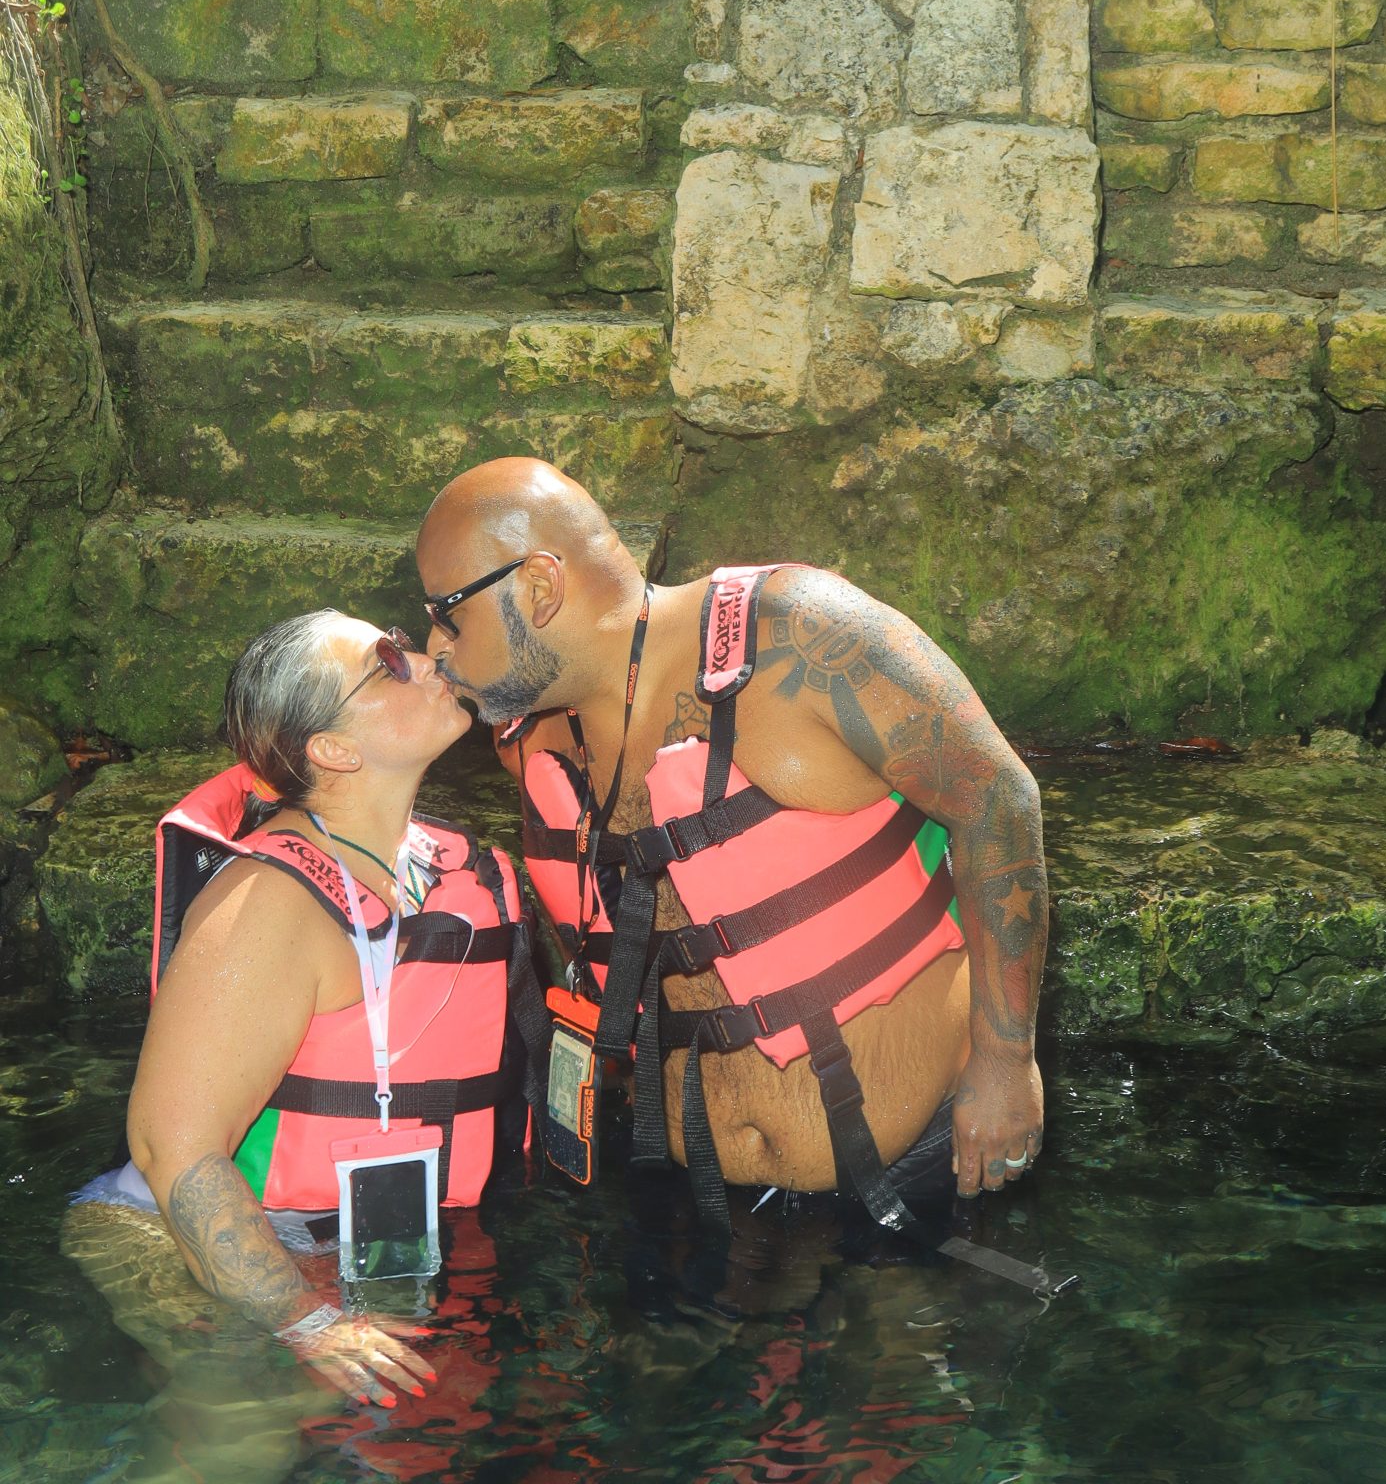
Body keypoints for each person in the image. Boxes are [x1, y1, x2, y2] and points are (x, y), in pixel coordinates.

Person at [415, 459, 1048, 1240]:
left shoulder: (799, 635)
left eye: (446, 615)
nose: (436, 646)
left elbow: (998, 801)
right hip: (693, 1196)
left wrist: (1005, 1061)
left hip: (910, 1179)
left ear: (538, 586)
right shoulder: (531, 740)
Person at [67, 609, 536, 1408]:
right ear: (333, 750)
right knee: (245, 1445)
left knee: (435, 1426)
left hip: (354, 1237)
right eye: (388, 664)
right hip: (182, 1240)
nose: (427, 660)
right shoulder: (267, 904)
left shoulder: (446, 868)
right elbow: (172, 1147)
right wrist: (305, 1323)